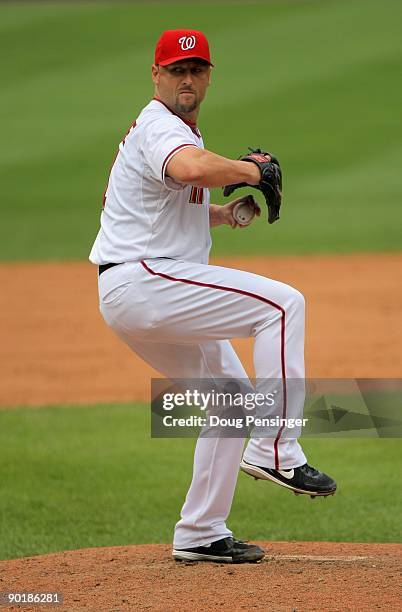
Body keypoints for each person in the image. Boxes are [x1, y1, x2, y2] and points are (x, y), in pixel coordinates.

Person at [89, 29, 336, 564]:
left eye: (196, 69)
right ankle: (278, 450)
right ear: (156, 75)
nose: (187, 78)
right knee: (283, 305)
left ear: (208, 76)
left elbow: (163, 202)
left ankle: (200, 532)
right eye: (176, 70)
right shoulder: (160, 127)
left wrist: (219, 213)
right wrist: (254, 170)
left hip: (135, 289)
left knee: (228, 400)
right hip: (147, 281)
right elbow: (189, 169)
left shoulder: (176, 131)